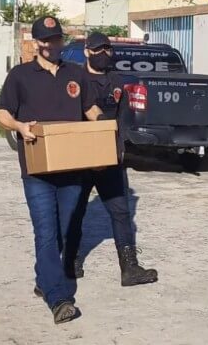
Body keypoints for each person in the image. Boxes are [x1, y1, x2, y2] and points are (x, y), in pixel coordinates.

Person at [0, 16, 104, 325]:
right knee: (45, 231)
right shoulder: (20, 76)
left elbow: (89, 108)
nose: (50, 45)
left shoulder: (76, 74)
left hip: (71, 167)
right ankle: (59, 299)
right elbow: (2, 113)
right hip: (37, 169)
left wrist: (104, 125)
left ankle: (44, 280)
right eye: (45, 40)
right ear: (36, 43)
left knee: (65, 231)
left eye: (55, 39)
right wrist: (19, 126)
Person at [67, 32, 158, 286]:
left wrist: (120, 151)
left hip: (110, 158)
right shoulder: (76, 80)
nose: (103, 54)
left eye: (107, 49)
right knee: (75, 210)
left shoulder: (117, 81)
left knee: (121, 212)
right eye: (97, 50)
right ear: (87, 51)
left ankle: (130, 268)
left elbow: (122, 119)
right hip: (80, 158)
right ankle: (71, 261)